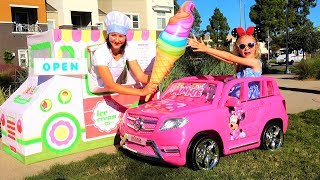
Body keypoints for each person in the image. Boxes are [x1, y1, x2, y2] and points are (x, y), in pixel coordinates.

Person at [91, 11, 156, 96]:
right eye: (113, 35)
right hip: (95, 93)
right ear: (108, 35)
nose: (117, 40)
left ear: (125, 37)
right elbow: (110, 85)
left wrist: (158, 76)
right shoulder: (101, 52)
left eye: (121, 36)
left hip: (113, 92)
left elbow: (141, 77)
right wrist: (141, 92)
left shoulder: (128, 49)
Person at [187, 26, 262, 99]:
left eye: (250, 45)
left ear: (256, 46)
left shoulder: (255, 62)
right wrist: (205, 50)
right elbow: (227, 59)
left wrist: (206, 48)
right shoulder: (241, 63)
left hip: (248, 97)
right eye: (242, 46)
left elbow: (230, 57)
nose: (246, 48)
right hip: (238, 94)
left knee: (216, 97)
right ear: (238, 49)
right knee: (211, 94)